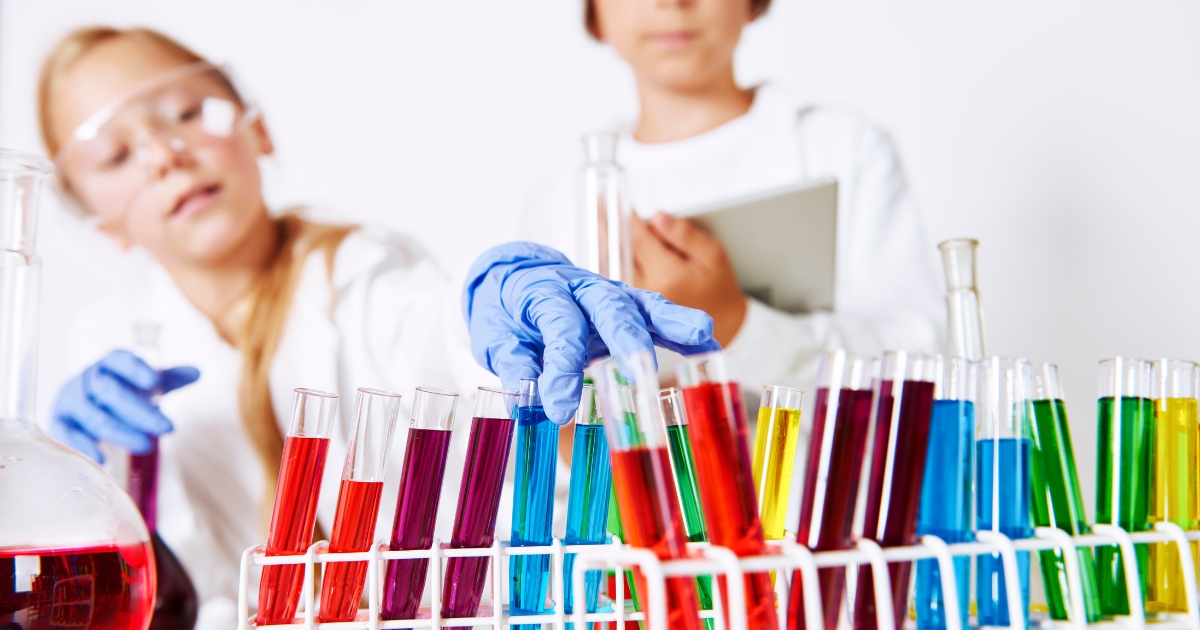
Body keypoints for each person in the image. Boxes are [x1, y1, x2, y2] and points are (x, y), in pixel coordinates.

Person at [39, 27, 716, 628]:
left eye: (186, 112)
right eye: (116, 155)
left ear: (258, 127)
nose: (165, 156)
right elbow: (186, 594)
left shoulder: (360, 270)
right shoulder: (108, 348)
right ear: (102, 223)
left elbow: (426, 336)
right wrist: (99, 487)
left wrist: (482, 307)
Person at [522, 0, 944, 393]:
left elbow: (915, 361)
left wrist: (735, 323)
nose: (672, 3)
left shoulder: (843, 148)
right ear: (595, 14)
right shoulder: (558, 200)